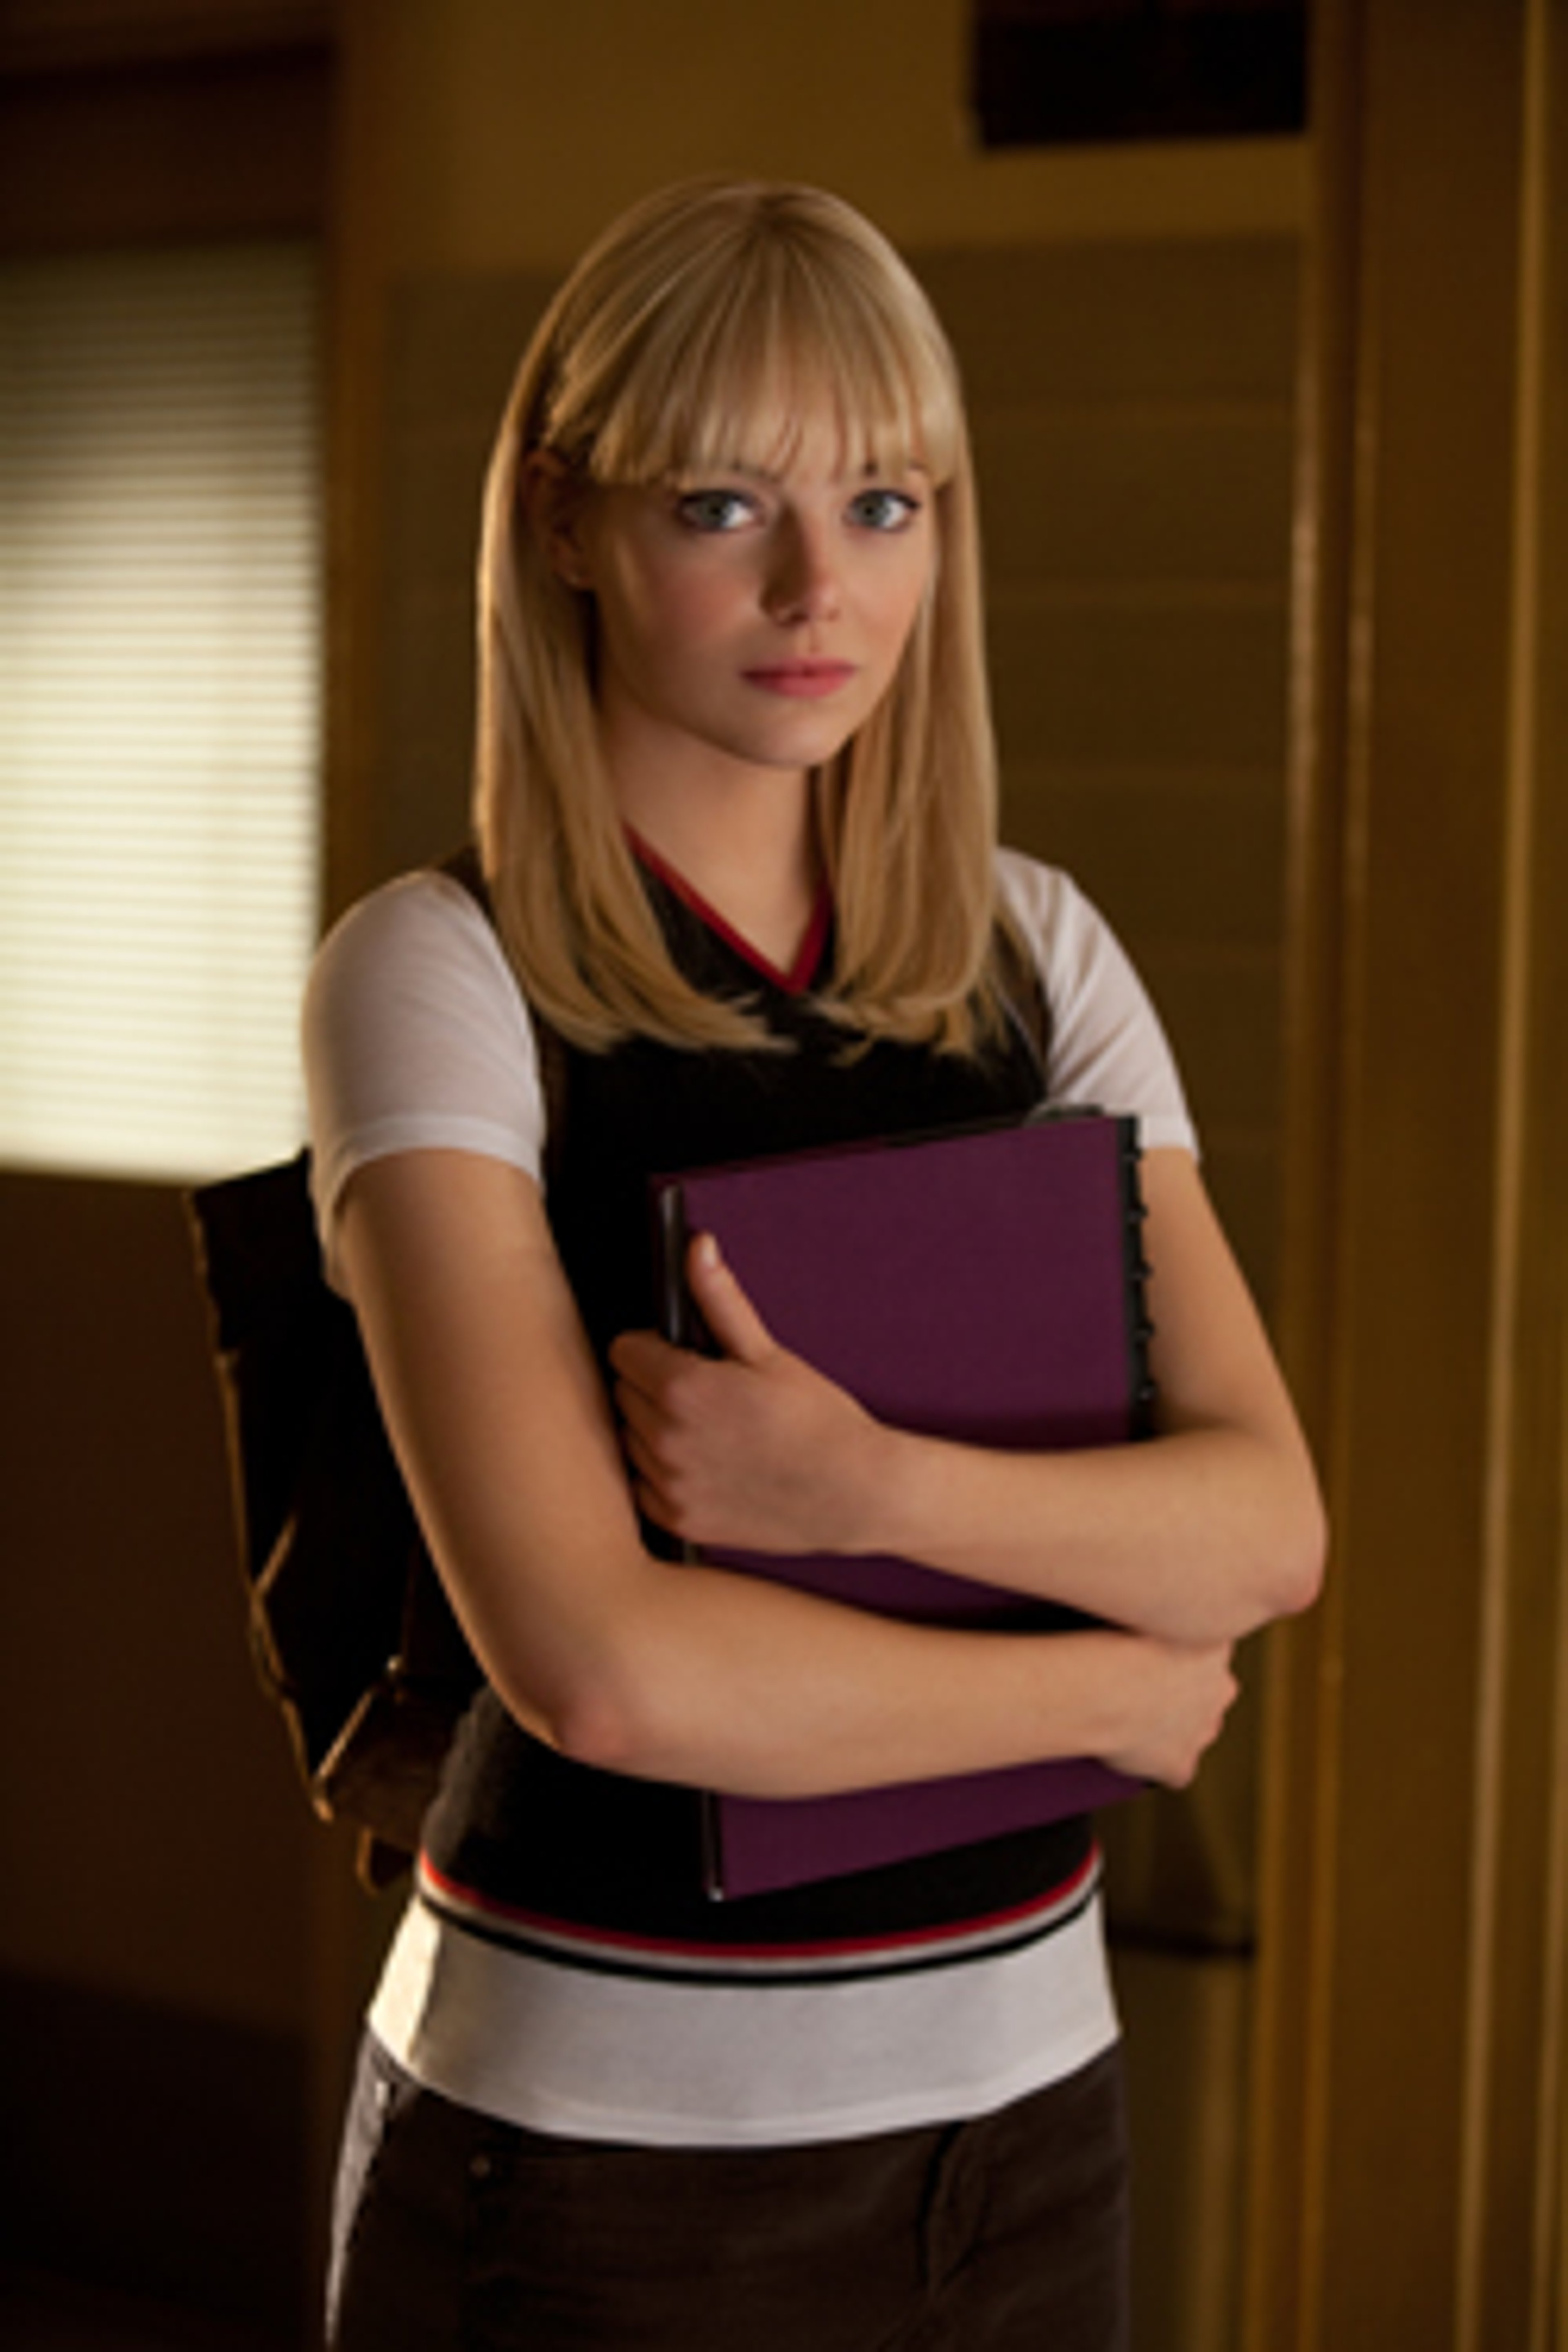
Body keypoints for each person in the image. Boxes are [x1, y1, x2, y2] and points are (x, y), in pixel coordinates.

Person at [307, 178, 1325, 2352]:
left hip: (1034, 2114)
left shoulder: (1041, 950)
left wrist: (869, 1496)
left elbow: (1266, 1523)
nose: (815, 587)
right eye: (721, 503)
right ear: (570, 523)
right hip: (600, 2157)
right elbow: (606, 1673)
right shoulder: (437, 972)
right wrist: (1103, 1692)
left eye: (882, 502)